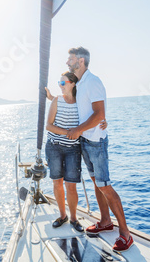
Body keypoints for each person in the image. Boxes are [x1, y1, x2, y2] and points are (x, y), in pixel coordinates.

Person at [64, 46, 133, 252]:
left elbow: (98, 114)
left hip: (96, 142)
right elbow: (91, 112)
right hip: (86, 141)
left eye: (71, 59)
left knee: (104, 186)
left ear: (81, 61)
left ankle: (126, 234)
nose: (68, 62)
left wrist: (77, 130)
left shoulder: (93, 81)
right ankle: (105, 222)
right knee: (96, 183)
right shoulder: (80, 83)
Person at [45, 71, 107, 232]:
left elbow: (94, 113)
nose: (60, 85)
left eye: (63, 82)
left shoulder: (80, 102)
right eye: (59, 82)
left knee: (71, 186)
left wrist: (104, 121)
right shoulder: (57, 101)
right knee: (57, 183)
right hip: (55, 146)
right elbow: (49, 126)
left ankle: (73, 218)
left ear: (73, 84)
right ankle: (62, 215)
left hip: (73, 149)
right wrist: (70, 132)